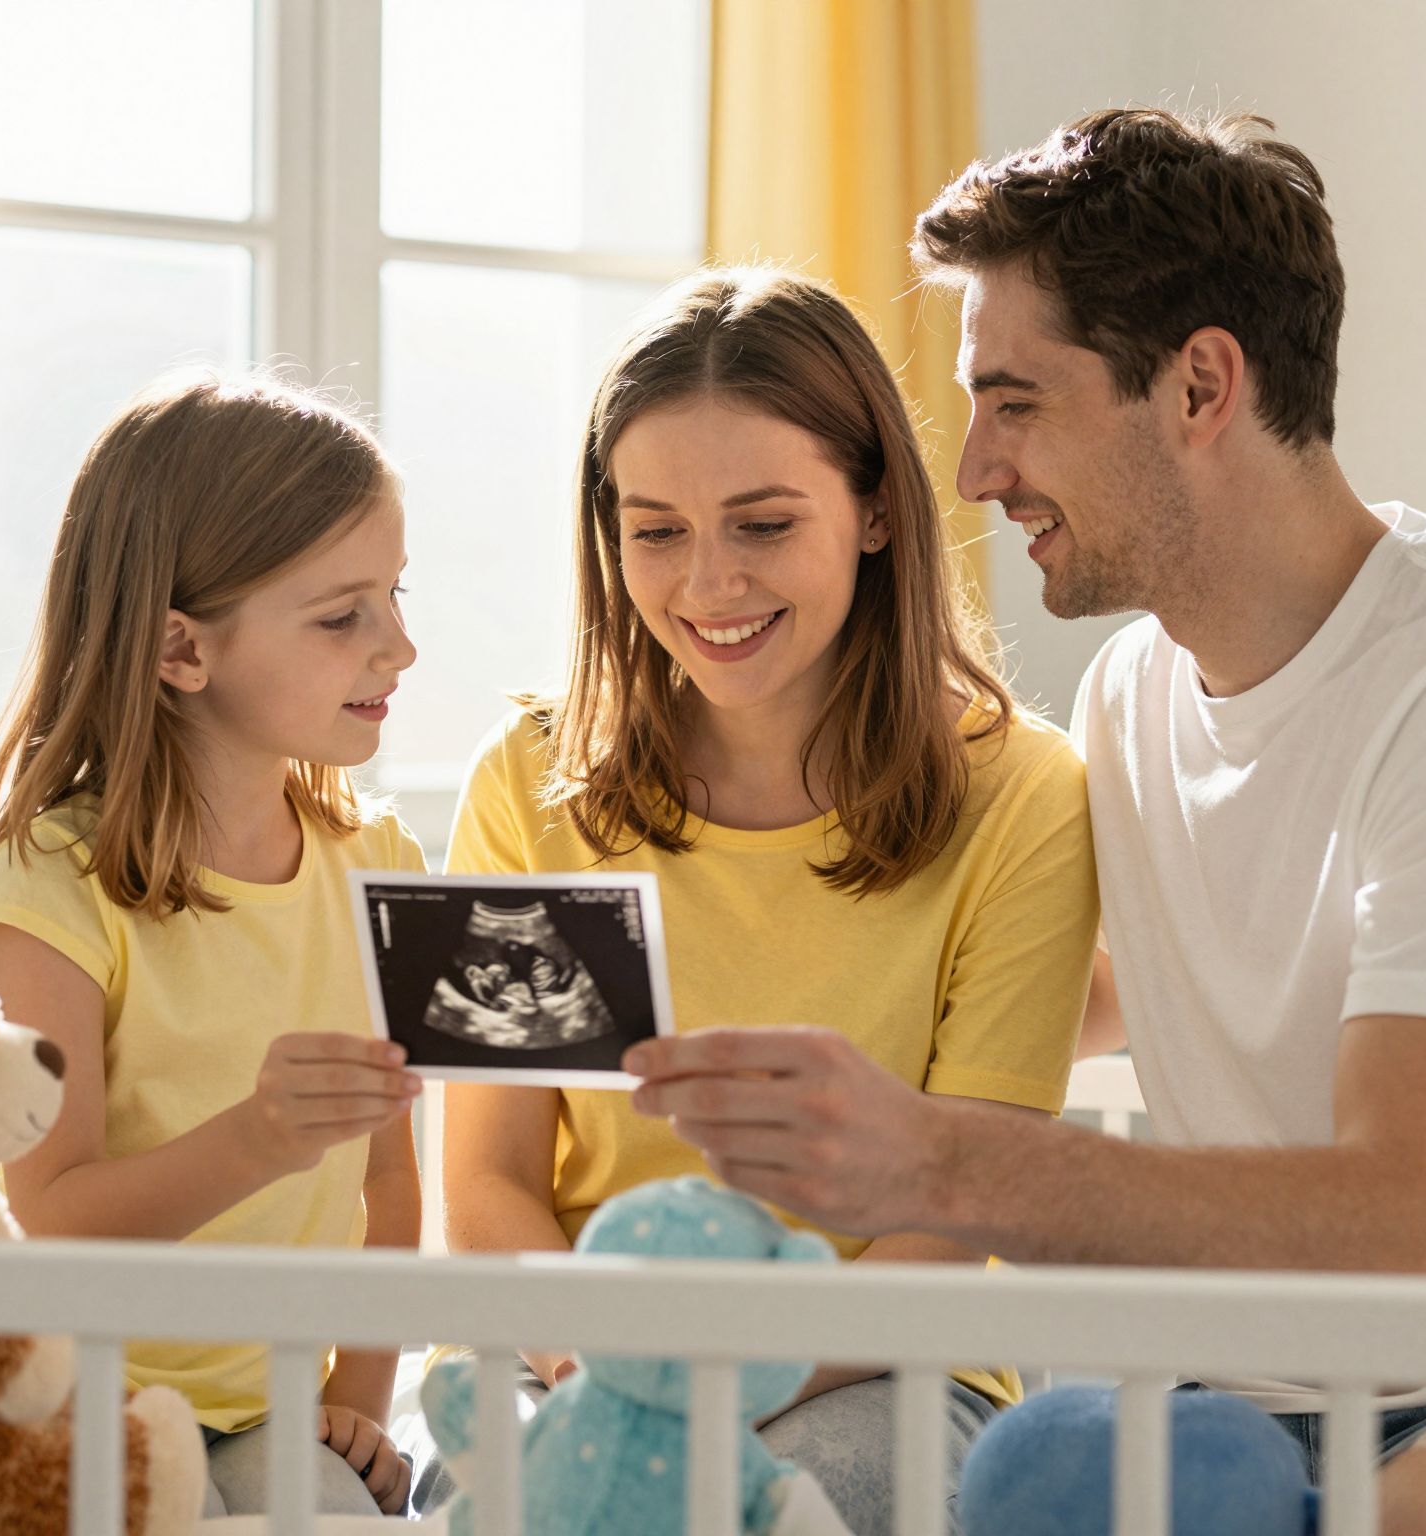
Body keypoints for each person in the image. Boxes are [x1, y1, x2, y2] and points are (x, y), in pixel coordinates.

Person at [627, 110, 1426, 1536]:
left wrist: (939, 1159)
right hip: (1240, 1405)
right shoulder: (1132, 697)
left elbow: (1410, 1232)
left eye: (1016, 402)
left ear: (1201, 384)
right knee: (1039, 1469)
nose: (973, 471)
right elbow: (1120, 990)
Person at [417, 268, 1100, 1535]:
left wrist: (712, 1402)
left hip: (877, 1368)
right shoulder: (528, 782)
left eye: (763, 524)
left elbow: (949, 1222)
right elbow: (491, 1189)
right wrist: (619, 1393)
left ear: (876, 512)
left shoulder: (1020, 796)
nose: (707, 586)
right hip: (568, 1361)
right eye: (657, 530)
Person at [0, 373, 427, 1518]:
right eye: (342, 615)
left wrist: (360, 1395)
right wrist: (260, 1138)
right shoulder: (57, 880)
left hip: (278, 1403)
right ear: (180, 649)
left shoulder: (378, 872)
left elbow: (389, 1180)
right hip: (74, 1396)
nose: (400, 648)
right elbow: (48, 1218)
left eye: (395, 597)